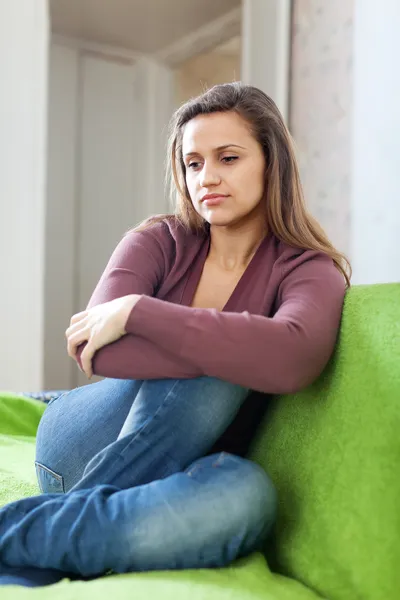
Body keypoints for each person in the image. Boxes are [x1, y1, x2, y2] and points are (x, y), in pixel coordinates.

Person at [0, 82, 351, 587]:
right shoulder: (157, 239)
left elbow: (294, 357)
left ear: (271, 163)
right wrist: (244, 347)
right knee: (221, 367)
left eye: (228, 158)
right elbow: (99, 351)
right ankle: (50, 533)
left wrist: (142, 313)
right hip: (78, 446)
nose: (206, 177)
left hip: (184, 475)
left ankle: (36, 538)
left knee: (249, 498)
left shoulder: (310, 270)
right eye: (193, 163)